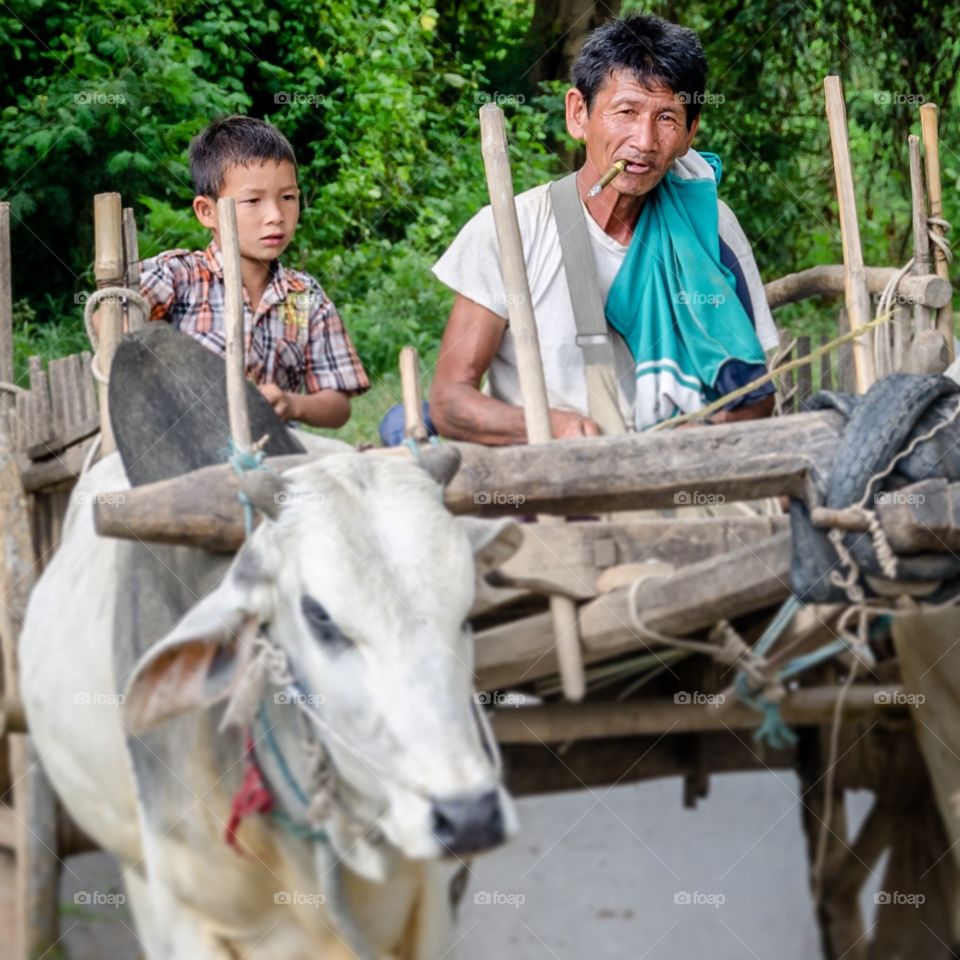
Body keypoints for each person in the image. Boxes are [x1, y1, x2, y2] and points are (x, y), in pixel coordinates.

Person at [429, 14, 778, 445]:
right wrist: (553, 427)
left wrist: (702, 436)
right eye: (626, 111)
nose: (644, 141)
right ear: (579, 114)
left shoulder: (712, 227)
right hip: (543, 495)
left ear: (690, 133)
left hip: (678, 483)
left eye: (666, 118)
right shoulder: (511, 230)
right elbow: (449, 402)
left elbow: (756, 397)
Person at [109, 115, 369, 428]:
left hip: (275, 451)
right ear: (207, 212)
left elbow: (337, 407)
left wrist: (290, 403)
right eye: (252, 201)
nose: (275, 216)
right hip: (185, 447)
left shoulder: (306, 297)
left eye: (287, 197)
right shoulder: (178, 276)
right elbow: (111, 313)